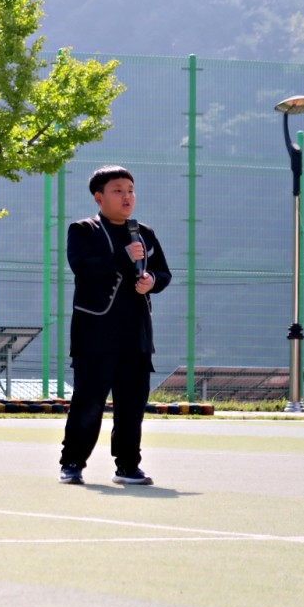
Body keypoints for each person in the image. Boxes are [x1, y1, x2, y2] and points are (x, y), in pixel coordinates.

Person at [59, 165, 171, 486]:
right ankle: (72, 463)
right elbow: (84, 268)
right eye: (118, 190)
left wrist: (152, 281)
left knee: (132, 406)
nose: (127, 197)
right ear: (99, 197)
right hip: (95, 334)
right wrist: (124, 256)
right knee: (89, 402)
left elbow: (163, 273)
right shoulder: (83, 230)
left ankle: (127, 466)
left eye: (130, 190)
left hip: (136, 334)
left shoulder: (144, 233)